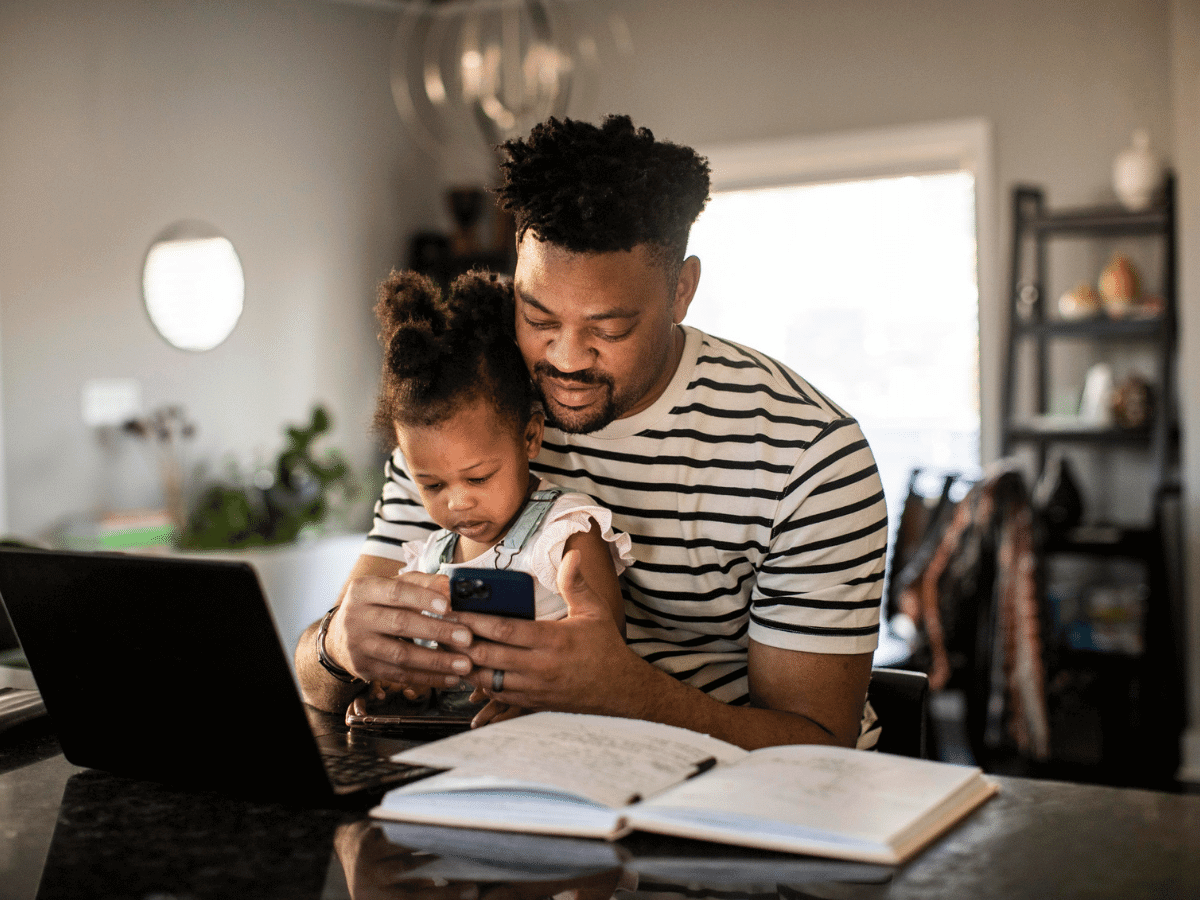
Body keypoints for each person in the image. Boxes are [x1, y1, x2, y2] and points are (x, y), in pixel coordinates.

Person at [296, 114, 888, 751]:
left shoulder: (807, 456)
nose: (567, 359)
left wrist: (625, 695)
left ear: (682, 289)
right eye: (538, 317)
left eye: (609, 329)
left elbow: (818, 749)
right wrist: (338, 647)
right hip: (512, 769)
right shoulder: (471, 413)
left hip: (728, 793)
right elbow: (317, 680)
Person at [356, 267, 631, 723]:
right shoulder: (428, 560)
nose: (457, 503)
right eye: (432, 485)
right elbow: (415, 661)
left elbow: (607, 660)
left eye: (479, 478)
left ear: (530, 437)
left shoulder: (564, 534)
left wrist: (541, 696)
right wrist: (398, 682)